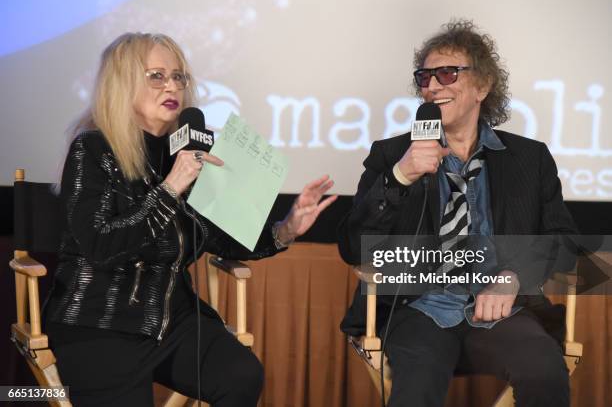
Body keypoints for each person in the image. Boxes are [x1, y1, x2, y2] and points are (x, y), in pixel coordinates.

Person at [43, 32, 336, 407]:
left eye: (179, 77)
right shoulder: (93, 149)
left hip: (171, 321)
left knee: (241, 374)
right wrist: (170, 188)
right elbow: (101, 247)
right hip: (99, 324)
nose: (173, 86)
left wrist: (286, 229)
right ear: (123, 83)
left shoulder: (188, 152)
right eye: (157, 76)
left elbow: (220, 235)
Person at [338, 20, 577, 407]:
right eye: (424, 77)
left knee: (544, 371)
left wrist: (514, 275)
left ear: (482, 86)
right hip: (417, 308)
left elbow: (563, 243)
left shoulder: (529, 159)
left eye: (447, 74)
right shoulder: (392, 154)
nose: (433, 86)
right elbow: (354, 248)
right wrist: (401, 176)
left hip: (502, 311)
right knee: (416, 389)